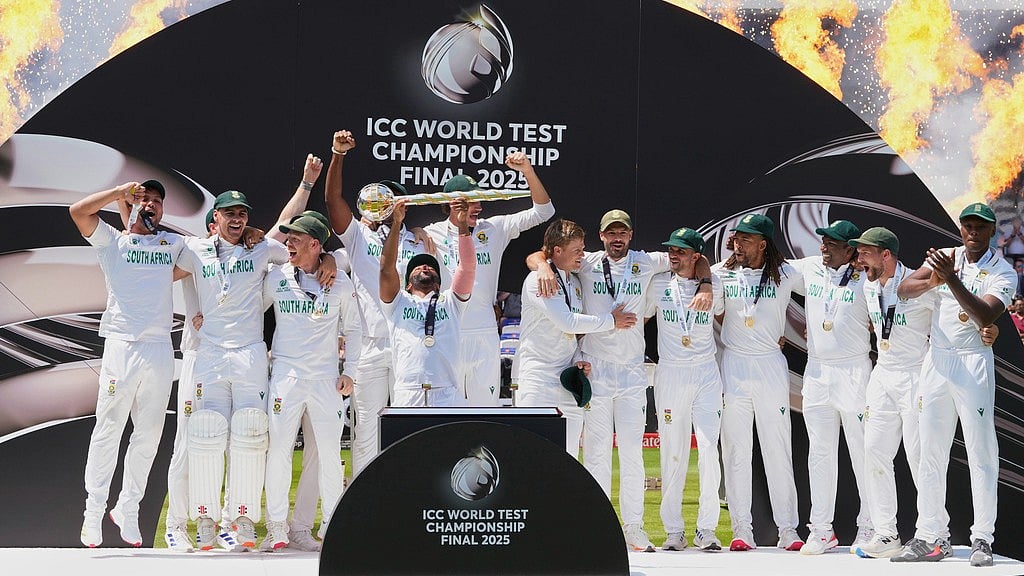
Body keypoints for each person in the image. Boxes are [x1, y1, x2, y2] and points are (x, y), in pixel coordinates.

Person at [528, 208, 711, 553]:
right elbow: (540, 254)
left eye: (622, 233)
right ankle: (597, 524)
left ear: (630, 235)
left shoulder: (647, 261)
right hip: (595, 369)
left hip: (631, 372)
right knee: (596, 453)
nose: (617, 239)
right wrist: (539, 265)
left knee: (632, 454)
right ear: (602, 236)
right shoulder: (586, 262)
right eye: (610, 233)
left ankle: (634, 528)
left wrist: (705, 282)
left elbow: (694, 257)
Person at [893, 202, 1016, 566]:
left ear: (993, 231)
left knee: (981, 452)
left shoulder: (1003, 271)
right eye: (967, 225)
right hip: (938, 360)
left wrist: (951, 280)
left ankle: (982, 539)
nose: (972, 232)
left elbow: (986, 314)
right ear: (960, 228)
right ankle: (932, 536)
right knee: (929, 450)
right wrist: (935, 278)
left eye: (980, 227)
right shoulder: (946, 257)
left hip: (973, 360)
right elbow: (903, 289)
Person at [70, 180, 186, 548]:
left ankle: (128, 508)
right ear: (130, 204)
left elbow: (214, 258)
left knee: (149, 435)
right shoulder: (113, 242)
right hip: (122, 345)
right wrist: (118, 193)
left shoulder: (171, 245)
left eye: (157, 202)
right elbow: (77, 212)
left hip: (159, 348)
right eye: (144, 199)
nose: (151, 205)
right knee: (109, 430)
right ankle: (93, 512)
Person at [324, 129, 434, 475]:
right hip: (368, 345)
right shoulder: (358, 235)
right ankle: (364, 508)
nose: (387, 205)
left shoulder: (418, 243)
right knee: (366, 432)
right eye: (383, 199)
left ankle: (407, 501)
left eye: (396, 200)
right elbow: (332, 202)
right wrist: (338, 154)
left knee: (409, 428)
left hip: (408, 343)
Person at [259, 213, 362, 550]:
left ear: (316, 244)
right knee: (279, 452)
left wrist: (351, 372)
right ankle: (277, 526)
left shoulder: (340, 282)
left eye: (296, 239)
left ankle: (332, 524)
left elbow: (355, 329)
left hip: (326, 380)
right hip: (286, 377)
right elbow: (249, 306)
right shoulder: (276, 276)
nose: (288, 243)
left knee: (330, 455)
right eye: (288, 238)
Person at [423, 153, 555, 406]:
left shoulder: (495, 228)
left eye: (480, 200)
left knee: (485, 408)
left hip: (484, 332)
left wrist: (527, 170)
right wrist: (417, 232)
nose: (480, 206)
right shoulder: (430, 233)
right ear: (453, 204)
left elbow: (544, 211)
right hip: (447, 333)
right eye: (473, 201)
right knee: (445, 410)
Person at [711, 213, 804, 552]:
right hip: (734, 365)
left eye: (746, 239)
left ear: (763, 244)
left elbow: (827, 284)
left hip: (769, 365)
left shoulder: (786, 273)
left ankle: (788, 529)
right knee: (736, 450)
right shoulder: (720, 275)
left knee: (777, 448)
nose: (738, 243)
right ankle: (741, 529)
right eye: (736, 238)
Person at [788, 220, 874, 555]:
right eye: (823, 241)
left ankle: (869, 526)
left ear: (850, 249)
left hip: (854, 370)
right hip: (818, 370)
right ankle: (822, 530)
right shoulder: (809, 267)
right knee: (819, 453)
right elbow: (768, 267)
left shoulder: (866, 276)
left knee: (862, 452)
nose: (823, 247)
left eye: (831, 244)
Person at [514, 218, 635, 455]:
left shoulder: (575, 281)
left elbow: (571, 334)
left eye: (582, 248)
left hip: (568, 380)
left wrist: (577, 359)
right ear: (557, 250)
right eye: (577, 250)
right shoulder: (539, 280)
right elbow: (566, 322)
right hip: (538, 380)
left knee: (567, 459)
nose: (582, 255)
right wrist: (612, 320)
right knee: (532, 457)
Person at [847, 227, 933, 558]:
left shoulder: (918, 284)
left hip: (916, 377)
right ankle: (886, 534)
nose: (859, 258)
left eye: (865, 252)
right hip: (882, 374)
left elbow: (950, 314)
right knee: (874, 452)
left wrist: (986, 327)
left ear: (886, 255)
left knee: (919, 457)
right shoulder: (868, 285)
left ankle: (932, 532)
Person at [646, 227, 723, 552]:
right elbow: (639, 316)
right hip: (671, 373)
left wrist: (705, 282)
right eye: (671, 250)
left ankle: (707, 530)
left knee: (708, 451)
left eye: (680, 251)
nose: (672, 255)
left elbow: (728, 313)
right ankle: (674, 530)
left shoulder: (715, 285)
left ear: (695, 255)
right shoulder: (658, 283)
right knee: (672, 452)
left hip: (706, 373)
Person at [380, 198, 475, 406]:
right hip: (408, 393)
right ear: (406, 284)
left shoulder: (451, 301)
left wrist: (462, 226)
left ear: (440, 284)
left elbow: (467, 268)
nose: (425, 267)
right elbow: (386, 269)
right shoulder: (398, 302)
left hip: (448, 394)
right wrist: (396, 224)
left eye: (431, 267)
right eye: (417, 266)